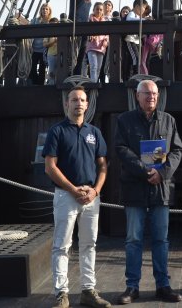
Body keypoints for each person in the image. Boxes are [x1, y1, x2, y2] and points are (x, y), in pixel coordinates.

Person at [114, 79, 182, 304]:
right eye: (147, 93)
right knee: (133, 239)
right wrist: (145, 171)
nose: (151, 97)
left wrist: (161, 173)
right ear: (137, 95)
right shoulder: (124, 121)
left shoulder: (168, 120)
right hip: (134, 189)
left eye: (154, 94)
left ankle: (163, 285)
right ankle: (131, 287)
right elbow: (121, 149)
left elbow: (177, 150)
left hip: (160, 190)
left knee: (160, 240)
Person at [43, 86, 110, 308]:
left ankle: (88, 290)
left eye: (82, 100)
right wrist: (73, 189)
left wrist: (96, 190)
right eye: (74, 100)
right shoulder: (57, 131)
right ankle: (61, 294)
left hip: (92, 196)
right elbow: (50, 167)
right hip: (66, 195)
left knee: (89, 244)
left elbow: (102, 166)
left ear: (87, 105)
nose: (78, 103)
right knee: (62, 245)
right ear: (67, 104)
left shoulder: (95, 132)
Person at [70, 0, 96, 74]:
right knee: (73, 53)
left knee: (81, 54)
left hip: (84, 28)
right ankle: (70, 74)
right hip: (75, 25)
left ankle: (77, 75)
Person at [30, 2, 52, 85]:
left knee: (43, 68)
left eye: (46, 9)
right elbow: (29, 29)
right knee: (32, 68)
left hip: (44, 49)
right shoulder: (35, 20)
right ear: (40, 10)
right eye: (43, 9)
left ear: (49, 11)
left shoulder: (50, 22)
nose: (44, 10)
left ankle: (40, 85)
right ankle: (35, 83)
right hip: (34, 48)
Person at [86, 2, 109, 82]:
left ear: (103, 11)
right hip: (92, 46)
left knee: (99, 67)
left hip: (101, 46)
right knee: (93, 66)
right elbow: (86, 32)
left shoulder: (104, 22)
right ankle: (93, 83)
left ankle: (95, 82)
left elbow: (107, 34)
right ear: (93, 10)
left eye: (101, 10)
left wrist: (106, 41)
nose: (99, 11)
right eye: (97, 9)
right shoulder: (89, 20)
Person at [45, 17, 60, 85]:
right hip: (51, 55)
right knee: (51, 72)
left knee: (60, 72)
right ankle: (51, 85)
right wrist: (54, 41)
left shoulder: (61, 32)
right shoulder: (48, 33)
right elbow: (45, 44)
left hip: (60, 54)